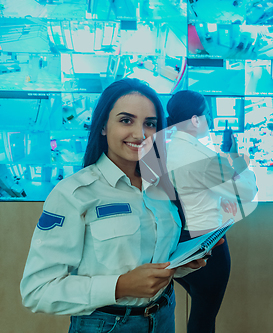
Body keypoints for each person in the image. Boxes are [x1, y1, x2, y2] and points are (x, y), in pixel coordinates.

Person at [20, 78, 208, 333]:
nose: (140, 134)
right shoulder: (74, 193)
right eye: (126, 120)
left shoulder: (161, 186)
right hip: (107, 324)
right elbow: (37, 291)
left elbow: (149, 260)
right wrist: (120, 286)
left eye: (150, 124)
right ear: (103, 127)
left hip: (163, 315)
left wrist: (182, 263)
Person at [164, 90, 257, 333]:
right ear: (195, 120)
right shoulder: (200, 156)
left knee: (199, 313)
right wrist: (237, 158)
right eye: (207, 115)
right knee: (204, 319)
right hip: (208, 246)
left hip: (176, 243)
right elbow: (247, 191)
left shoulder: (169, 150)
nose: (210, 120)